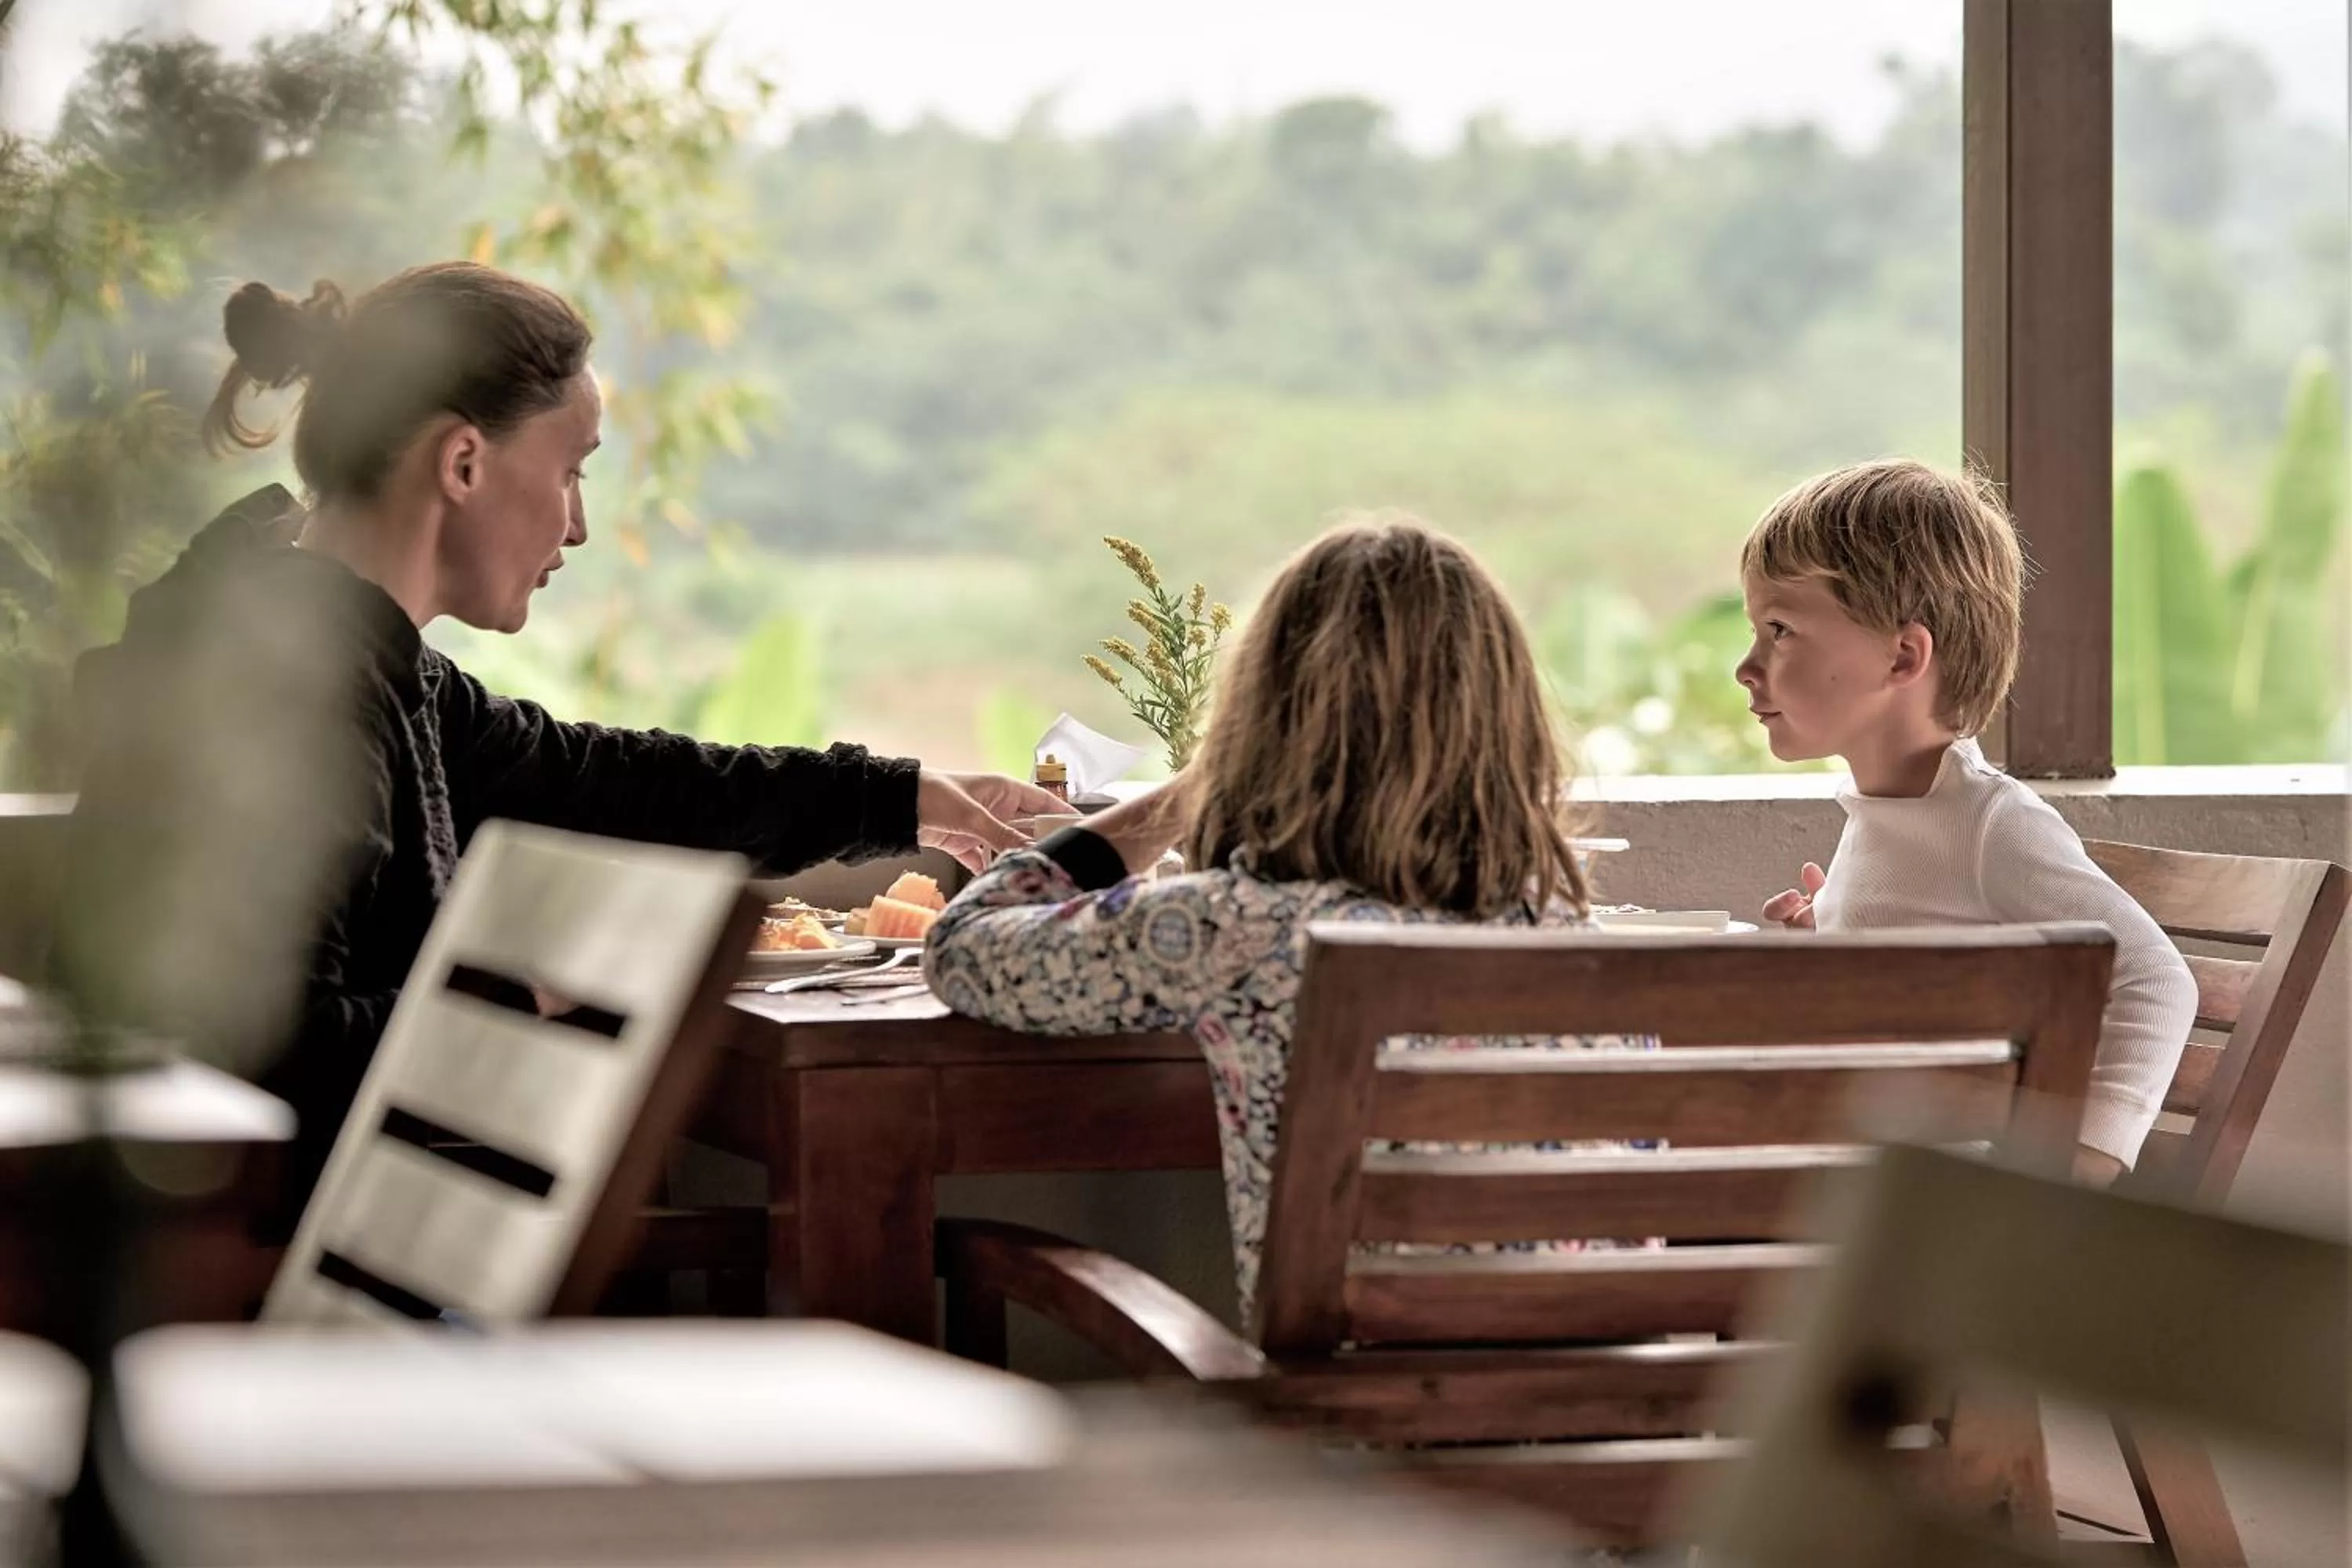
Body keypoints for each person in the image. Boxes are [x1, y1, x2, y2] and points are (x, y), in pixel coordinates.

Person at [60, 261, 1061, 1219]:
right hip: (271, 1296)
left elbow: (606, 779)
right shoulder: (289, 689)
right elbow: (268, 1052)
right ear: (463, 462)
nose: (577, 527)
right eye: (572, 472)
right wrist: (532, 991)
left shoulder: (350, 654)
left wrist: (897, 794)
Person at [923, 517, 1646, 1321]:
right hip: (1630, 1416)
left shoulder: (1233, 928)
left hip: (1372, 1430)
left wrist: (1183, 792)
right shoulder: (1573, 935)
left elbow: (962, 945)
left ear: (1259, 725)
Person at [1734, 458, 2194, 1184]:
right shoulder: (1891, 812)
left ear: (1903, 656)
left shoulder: (1990, 823)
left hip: (1922, 1218)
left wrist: (2080, 1168)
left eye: (1781, 629)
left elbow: (2156, 980)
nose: (1747, 666)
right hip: (1866, 1188)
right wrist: (1830, 940)